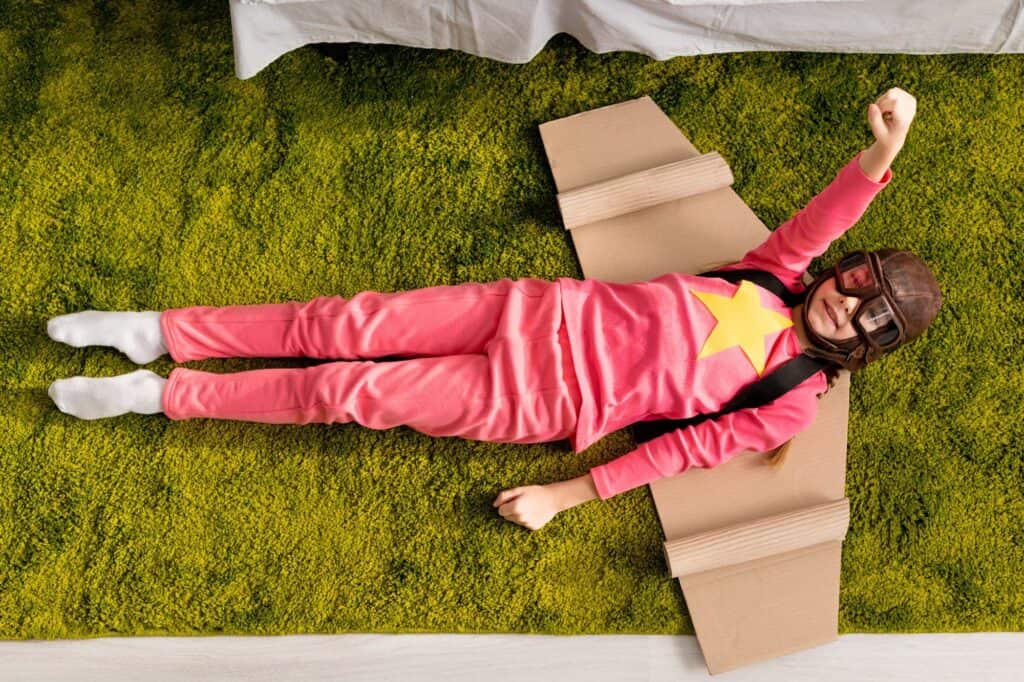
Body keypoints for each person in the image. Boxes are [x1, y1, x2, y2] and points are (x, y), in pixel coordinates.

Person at [46, 87, 941, 532]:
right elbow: (817, 221)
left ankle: (162, 396)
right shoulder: (775, 276)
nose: (845, 306)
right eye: (856, 285)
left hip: (537, 406)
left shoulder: (790, 394)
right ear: (844, 272)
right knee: (340, 325)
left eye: (869, 320)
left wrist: (565, 495)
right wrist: (881, 153)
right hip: (529, 313)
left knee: (351, 394)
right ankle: (160, 332)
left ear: (870, 348)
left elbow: (680, 452)